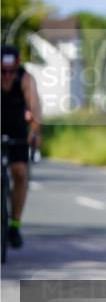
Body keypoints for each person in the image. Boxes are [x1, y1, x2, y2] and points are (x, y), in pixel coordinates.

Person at [1, 44, 43, 249]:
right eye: (3, 71)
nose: (7, 76)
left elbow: (35, 108)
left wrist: (34, 132)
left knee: (19, 173)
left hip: (17, 131)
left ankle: (14, 225)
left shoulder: (25, 79)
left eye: (11, 71)